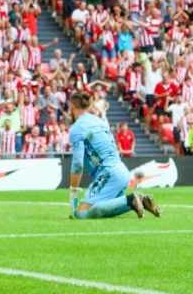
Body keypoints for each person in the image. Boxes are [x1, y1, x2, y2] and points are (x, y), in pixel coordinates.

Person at [68, 92, 159, 220]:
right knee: (106, 207)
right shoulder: (99, 121)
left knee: (80, 214)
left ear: (72, 107)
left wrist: (73, 190)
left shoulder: (77, 128)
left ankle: (131, 200)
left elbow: (77, 165)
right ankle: (139, 200)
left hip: (107, 174)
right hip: (121, 170)